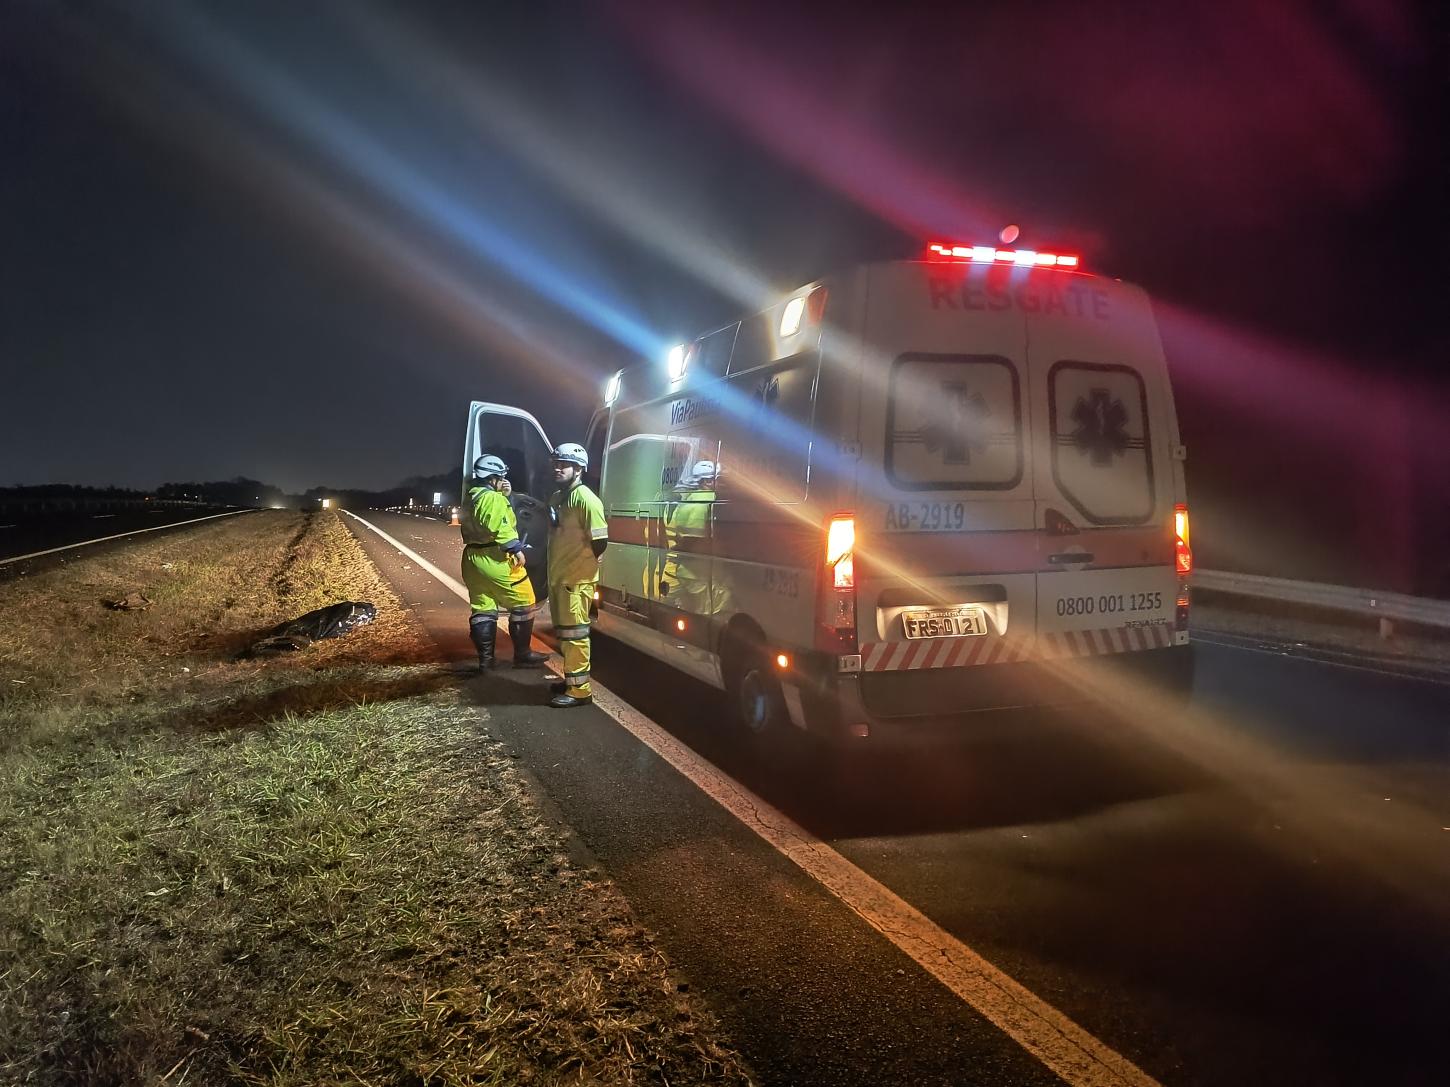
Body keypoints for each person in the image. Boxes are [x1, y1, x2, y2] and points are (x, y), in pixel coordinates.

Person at [459, 454, 549, 671]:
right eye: (500, 477)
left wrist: (505, 495)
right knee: (525, 602)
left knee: (483, 608)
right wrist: (515, 549)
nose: (502, 481)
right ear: (492, 478)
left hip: (472, 558)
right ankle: (522, 654)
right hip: (496, 557)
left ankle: (486, 661)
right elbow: (499, 524)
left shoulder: (472, 495)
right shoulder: (493, 498)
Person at [546, 443, 608, 707]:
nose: (558, 468)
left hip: (576, 580)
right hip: (560, 578)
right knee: (565, 635)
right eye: (556, 463)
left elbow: (600, 541)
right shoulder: (558, 497)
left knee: (575, 636)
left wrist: (583, 564)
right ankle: (572, 680)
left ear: (579, 469)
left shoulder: (586, 499)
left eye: (565, 465)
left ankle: (580, 691)